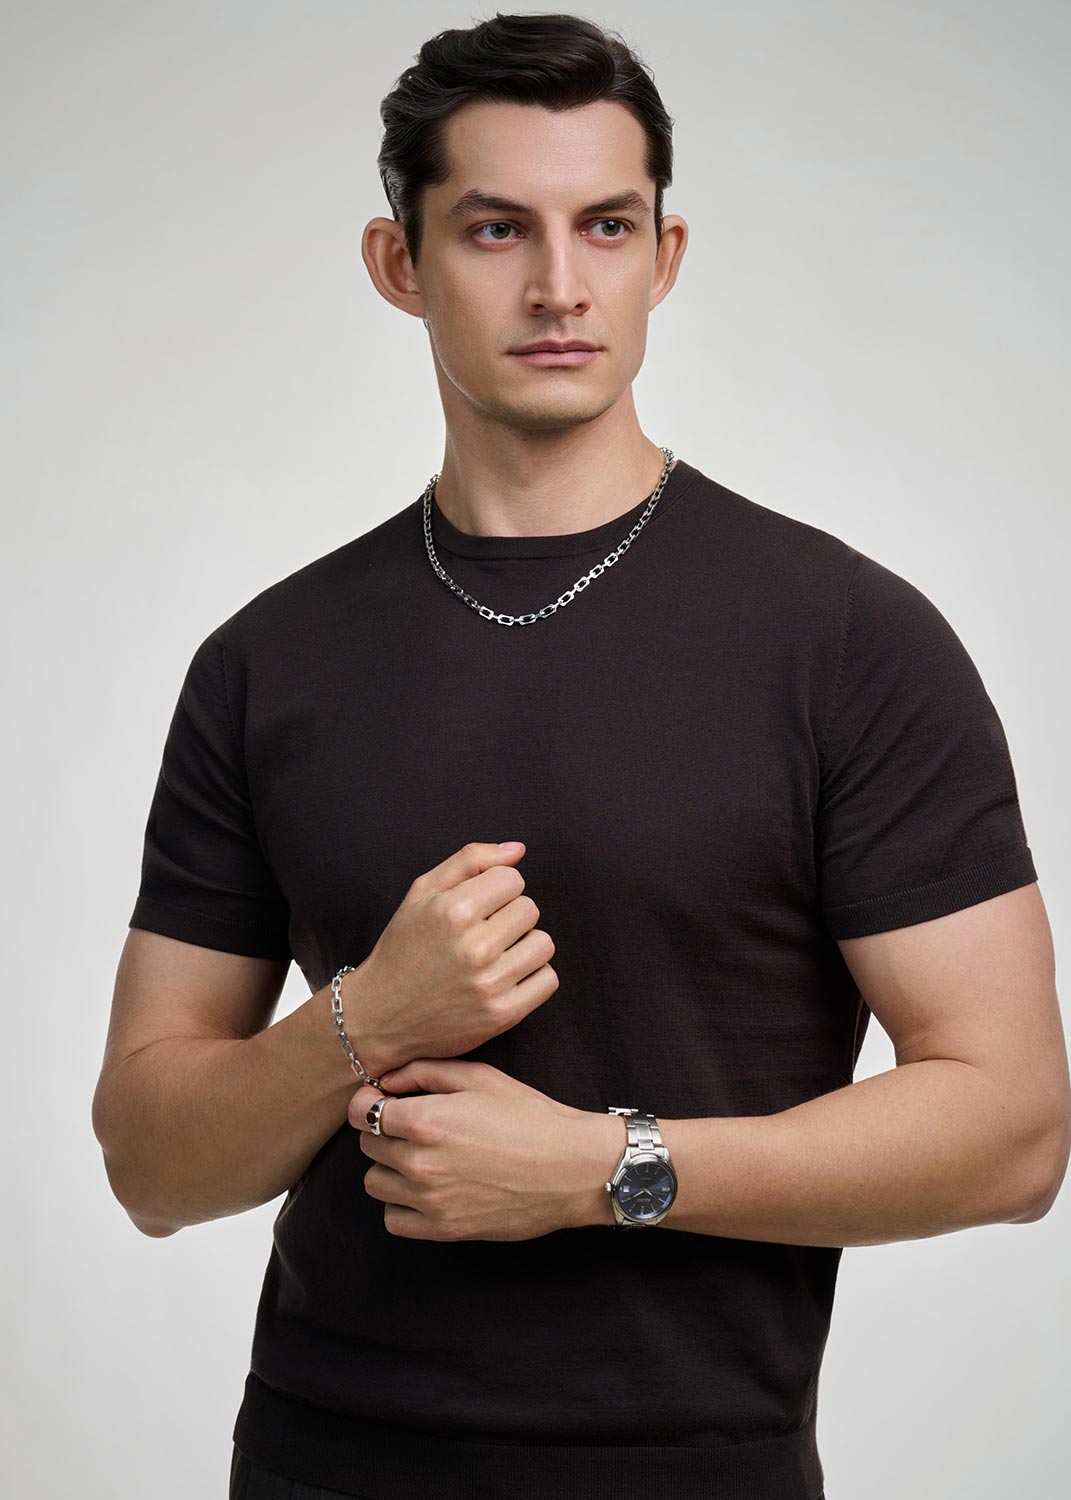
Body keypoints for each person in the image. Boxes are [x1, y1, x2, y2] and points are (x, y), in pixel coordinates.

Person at [92, 13, 1069, 1500]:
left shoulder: (848, 640)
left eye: (606, 226)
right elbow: (151, 1167)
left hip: (694, 1470)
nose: (560, 284)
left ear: (663, 257)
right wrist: (364, 1018)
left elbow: (1013, 1131)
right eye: (496, 229)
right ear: (399, 263)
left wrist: (608, 1170)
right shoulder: (265, 663)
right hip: (318, 1458)